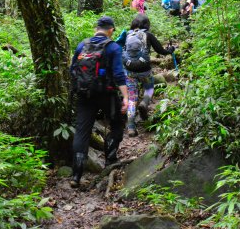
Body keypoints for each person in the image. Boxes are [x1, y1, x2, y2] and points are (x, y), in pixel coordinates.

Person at [70, 16, 129, 188]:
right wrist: (125, 97)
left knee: (82, 131)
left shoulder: (82, 45)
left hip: (84, 94)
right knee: (117, 123)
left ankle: (76, 175)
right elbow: (118, 74)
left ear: (96, 28)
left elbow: (72, 69)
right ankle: (110, 160)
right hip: (107, 95)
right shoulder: (113, 47)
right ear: (111, 30)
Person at [121, 14, 175, 137]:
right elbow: (160, 51)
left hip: (129, 72)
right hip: (145, 70)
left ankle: (131, 127)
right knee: (149, 88)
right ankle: (145, 103)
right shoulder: (148, 35)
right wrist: (170, 50)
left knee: (132, 99)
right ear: (146, 25)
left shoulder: (127, 35)